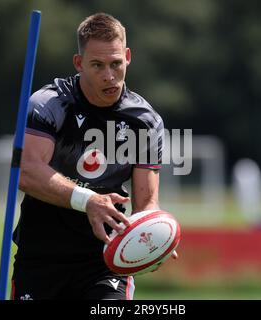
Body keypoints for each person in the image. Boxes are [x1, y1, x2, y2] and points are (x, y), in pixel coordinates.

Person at [12, 12, 174, 300]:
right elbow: (26, 172)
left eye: (116, 64)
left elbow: (146, 200)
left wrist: (152, 233)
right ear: (79, 63)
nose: (109, 76)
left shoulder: (145, 121)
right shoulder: (49, 103)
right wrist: (89, 202)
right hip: (41, 258)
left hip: (104, 262)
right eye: (97, 65)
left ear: (127, 56)